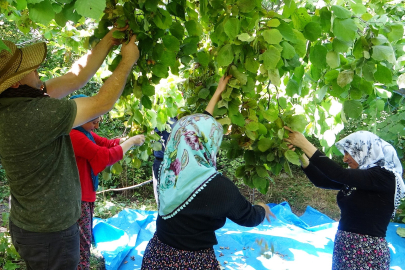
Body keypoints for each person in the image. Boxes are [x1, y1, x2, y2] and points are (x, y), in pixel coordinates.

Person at [0, 27, 139, 269]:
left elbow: (75, 78)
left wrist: (109, 40)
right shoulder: (34, 115)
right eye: (28, 70)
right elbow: (101, 103)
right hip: (51, 236)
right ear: (14, 84)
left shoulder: (15, 103)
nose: (36, 70)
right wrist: (128, 60)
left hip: (32, 227)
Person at [141, 76, 275, 269]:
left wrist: (218, 92)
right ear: (209, 144)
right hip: (194, 263)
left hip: (157, 256)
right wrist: (262, 207)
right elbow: (249, 217)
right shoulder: (219, 188)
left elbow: (194, 129)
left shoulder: (168, 173)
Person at [284, 127, 405, 270]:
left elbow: (337, 174)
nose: (345, 158)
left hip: (366, 253)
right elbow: (321, 181)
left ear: (365, 150)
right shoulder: (363, 177)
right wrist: (301, 154)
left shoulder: (385, 177)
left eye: (349, 152)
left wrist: (305, 143)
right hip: (345, 247)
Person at [69, 94, 145, 270]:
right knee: (82, 242)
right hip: (77, 197)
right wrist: (131, 142)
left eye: (98, 121)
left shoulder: (84, 132)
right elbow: (105, 156)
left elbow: (108, 144)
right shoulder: (74, 135)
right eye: (93, 121)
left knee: (84, 239)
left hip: (84, 195)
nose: (96, 126)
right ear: (80, 116)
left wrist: (125, 141)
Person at [152, 117, 177, 204]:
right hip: (161, 162)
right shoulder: (164, 119)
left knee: (174, 194)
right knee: (161, 195)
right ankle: (162, 215)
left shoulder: (179, 122)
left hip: (175, 163)